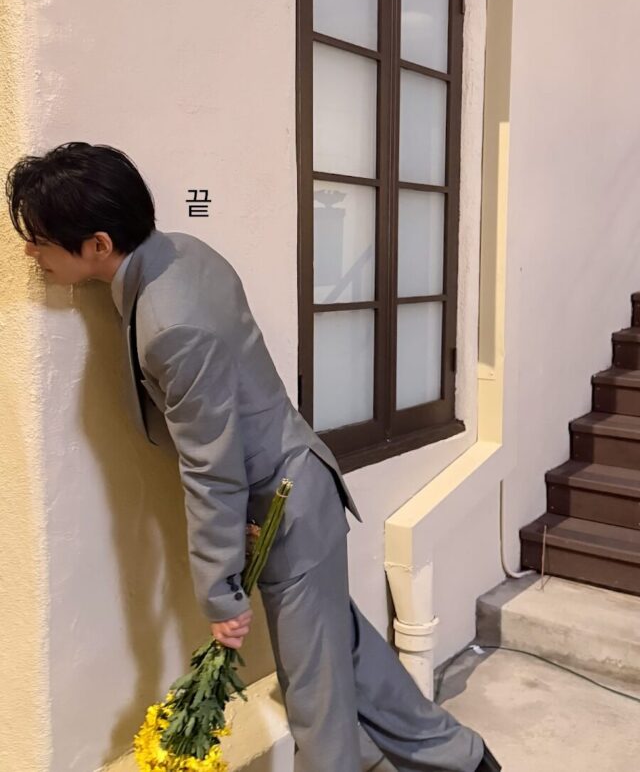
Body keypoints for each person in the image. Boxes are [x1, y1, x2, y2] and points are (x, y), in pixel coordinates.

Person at [6, 141, 501, 772]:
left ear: (98, 244)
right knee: (345, 655)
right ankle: (464, 758)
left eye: (40, 240)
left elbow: (210, 466)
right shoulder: (182, 251)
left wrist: (220, 592)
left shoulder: (171, 324)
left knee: (315, 700)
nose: (31, 254)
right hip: (291, 488)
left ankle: (458, 757)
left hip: (286, 507)